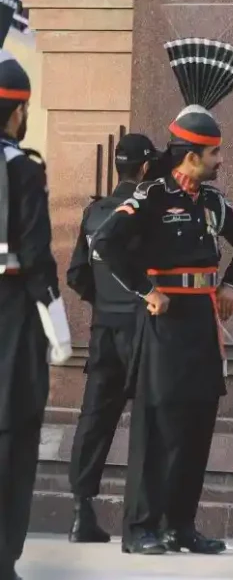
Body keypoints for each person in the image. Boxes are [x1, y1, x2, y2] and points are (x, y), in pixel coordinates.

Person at [92, 38, 233, 555]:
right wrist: (146, 291)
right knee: (157, 423)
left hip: (202, 318)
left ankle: (180, 525)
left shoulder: (211, 198)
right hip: (164, 319)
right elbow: (105, 243)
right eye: (214, 154)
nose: (220, 161)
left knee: (196, 420)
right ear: (192, 154)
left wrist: (232, 282)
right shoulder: (152, 195)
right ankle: (142, 526)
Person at [64, 132, 161, 544]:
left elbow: (76, 274)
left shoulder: (94, 212)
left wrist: (103, 300)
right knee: (147, 421)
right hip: (144, 326)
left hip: (104, 327)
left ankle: (81, 511)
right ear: (144, 168)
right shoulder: (144, 211)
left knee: (95, 419)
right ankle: (140, 523)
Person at [0, 55, 71, 580]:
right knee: (13, 432)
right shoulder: (23, 169)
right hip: (12, 314)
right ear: (17, 113)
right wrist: (54, 313)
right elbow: (35, 250)